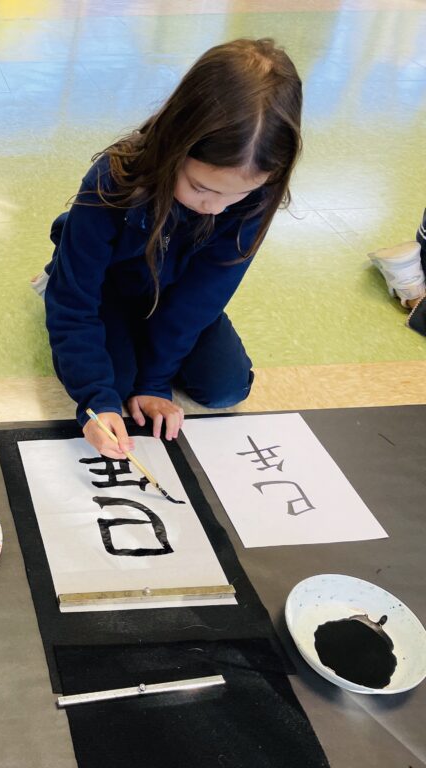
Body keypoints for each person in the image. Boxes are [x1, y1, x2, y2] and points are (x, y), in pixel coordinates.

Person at [35, 38, 303, 459]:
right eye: (200, 187)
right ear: (175, 143)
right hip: (111, 287)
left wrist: (156, 383)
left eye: (236, 194)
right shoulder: (112, 180)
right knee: (114, 388)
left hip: (174, 292)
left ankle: (141, 362)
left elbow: (201, 301)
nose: (216, 206)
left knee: (226, 387)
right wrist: (96, 399)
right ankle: (57, 267)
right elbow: (74, 302)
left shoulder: (255, 199)